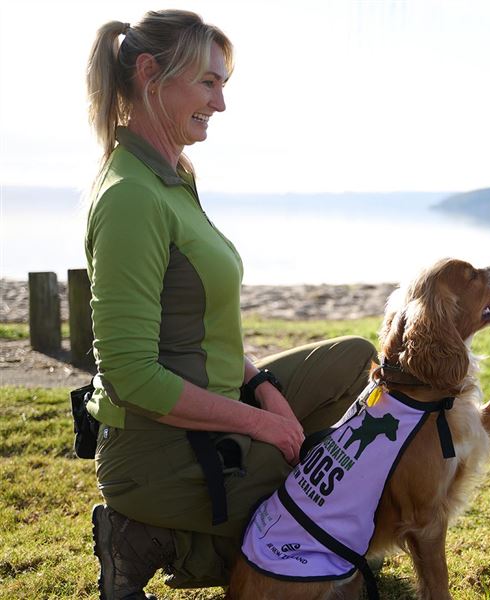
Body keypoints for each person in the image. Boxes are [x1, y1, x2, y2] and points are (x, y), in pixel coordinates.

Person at [83, 10, 377, 598]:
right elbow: (131, 377)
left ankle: (229, 520)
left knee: (354, 361)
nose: (220, 103)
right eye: (208, 83)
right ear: (150, 74)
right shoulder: (131, 200)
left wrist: (265, 386)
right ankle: (143, 536)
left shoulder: (172, 178)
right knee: (327, 497)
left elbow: (204, 327)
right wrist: (262, 424)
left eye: (223, 85)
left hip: (217, 399)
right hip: (155, 447)